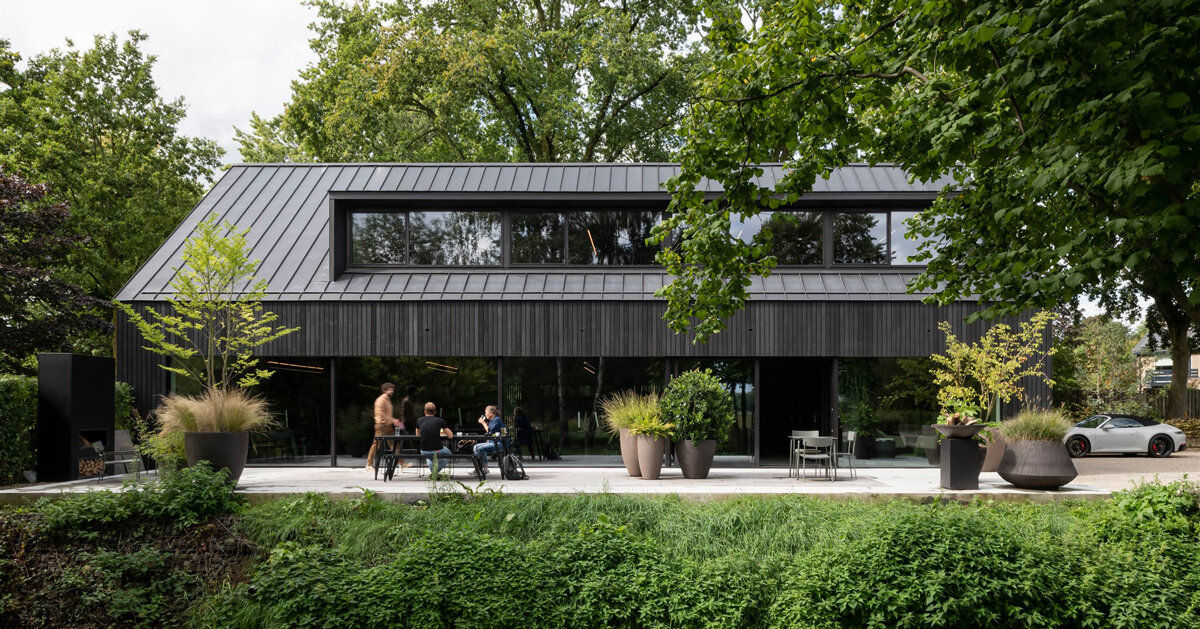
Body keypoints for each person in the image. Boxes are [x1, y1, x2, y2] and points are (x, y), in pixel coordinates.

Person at [365, 382, 402, 472]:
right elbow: (380, 414)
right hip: (381, 425)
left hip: (388, 425)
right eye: (390, 389)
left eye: (392, 389)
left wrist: (392, 421)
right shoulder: (380, 400)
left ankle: (401, 463)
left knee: (394, 445)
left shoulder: (388, 400)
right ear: (385, 390)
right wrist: (393, 420)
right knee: (376, 444)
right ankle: (369, 464)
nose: (392, 391)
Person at [416, 402, 454, 478]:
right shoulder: (440, 420)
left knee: (429, 456)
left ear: (425, 411)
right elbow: (450, 436)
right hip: (437, 449)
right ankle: (434, 473)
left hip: (423, 450)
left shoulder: (419, 420)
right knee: (449, 454)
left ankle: (434, 473)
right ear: (435, 412)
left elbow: (417, 435)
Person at [473, 405, 505, 475]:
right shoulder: (492, 421)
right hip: (493, 442)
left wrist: (483, 423)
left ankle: (483, 468)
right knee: (475, 447)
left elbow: (490, 431)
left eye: (485, 413)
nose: (485, 414)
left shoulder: (497, 419)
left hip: (498, 444)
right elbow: (490, 433)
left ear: (490, 413)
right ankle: (481, 468)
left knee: (480, 449)